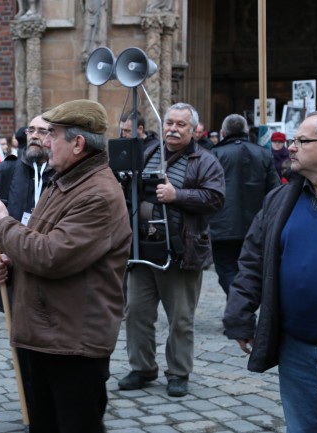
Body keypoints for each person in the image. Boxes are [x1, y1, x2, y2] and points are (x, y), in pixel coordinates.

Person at [0, 99, 132, 432]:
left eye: (52, 134)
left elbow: (50, 256)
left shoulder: (97, 194)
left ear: (78, 143)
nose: (44, 141)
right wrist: (9, 262)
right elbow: (40, 242)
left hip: (73, 342)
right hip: (49, 334)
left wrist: (1, 224)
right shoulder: (63, 180)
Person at [223, 109, 317, 432]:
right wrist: (239, 314)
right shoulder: (280, 200)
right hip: (296, 348)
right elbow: (253, 260)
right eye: (294, 140)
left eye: (302, 140)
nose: (292, 146)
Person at [118, 102, 225, 397]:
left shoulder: (205, 160)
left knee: (180, 318)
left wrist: (178, 195)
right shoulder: (151, 152)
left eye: (181, 124)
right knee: (136, 312)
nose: (173, 129)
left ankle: (178, 372)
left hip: (180, 251)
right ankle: (142, 368)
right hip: (142, 249)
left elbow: (216, 198)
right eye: (169, 123)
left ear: (194, 130)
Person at [0, 114, 55, 324]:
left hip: (52, 277)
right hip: (14, 275)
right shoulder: (4, 173)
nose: (35, 136)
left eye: (42, 131)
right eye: (31, 130)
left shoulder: (63, 175)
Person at [209, 114, 280, 296]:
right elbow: (276, 191)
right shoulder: (263, 153)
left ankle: (238, 310)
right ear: (246, 132)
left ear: (223, 132)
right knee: (249, 270)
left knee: (227, 270)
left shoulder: (215, 154)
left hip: (222, 226)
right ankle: (240, 310)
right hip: (254, 224)